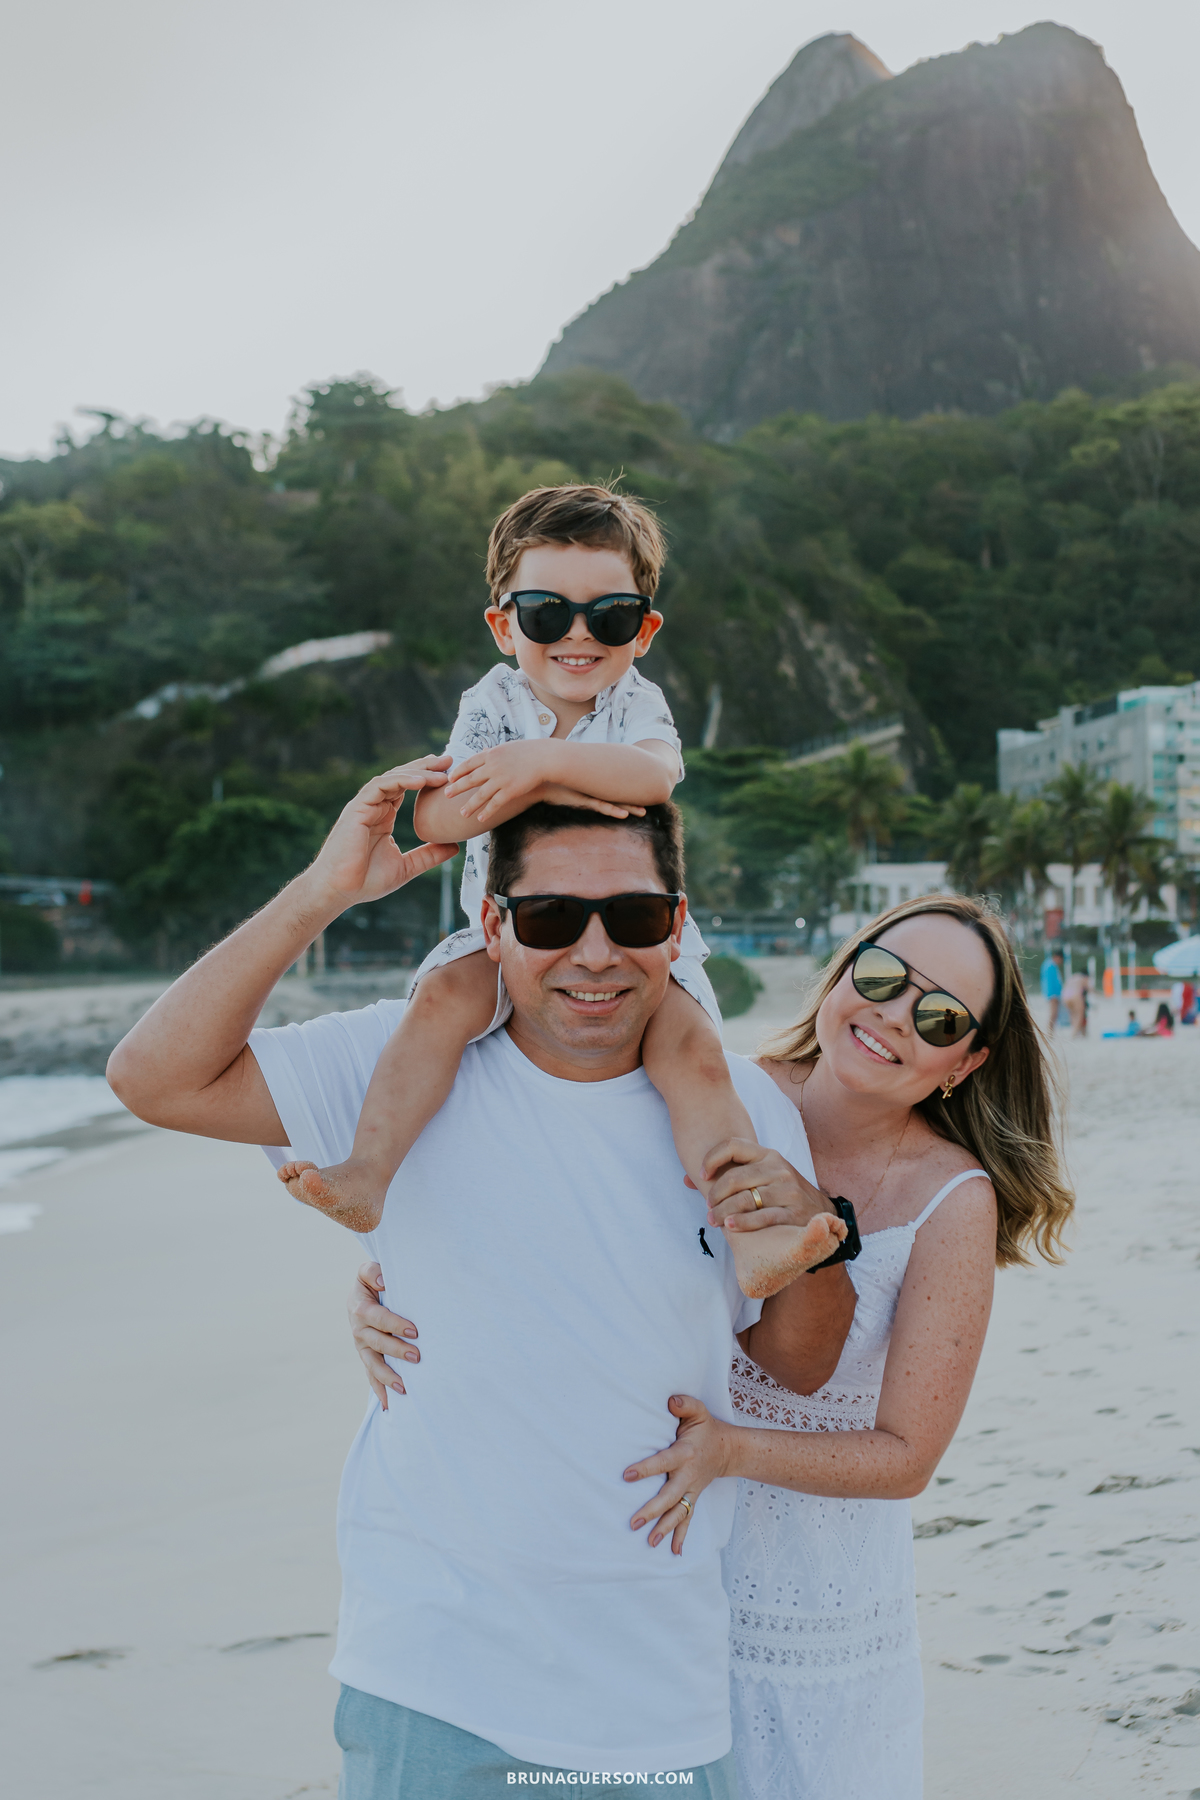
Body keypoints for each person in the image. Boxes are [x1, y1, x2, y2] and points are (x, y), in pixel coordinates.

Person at [107, 791, 855, 1794]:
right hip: (433, 1681)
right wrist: (323, 891)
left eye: (634, 917)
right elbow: (153, 1079)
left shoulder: (740, 1107)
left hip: (659, 1694)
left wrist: (817, 1243)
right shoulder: (394, 1068)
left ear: (676, 926)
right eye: (551, 919)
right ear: (493, 925)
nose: (596, 953)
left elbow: (799, 1367)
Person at [350, 896, 1074, 1799]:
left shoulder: (952, 1199)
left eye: (938, 1018)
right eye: (884, 976)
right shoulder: (708, 1095)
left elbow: (907, 1457)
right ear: (843, 972)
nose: (894, 1014)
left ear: (966, 1062)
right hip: (640, 1570)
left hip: (814, 1608)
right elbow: (546, 1241)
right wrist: (387, 1293)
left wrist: (729, 1451)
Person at [275, 482, 810, 1297]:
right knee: (438, 1004)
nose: (578, 635)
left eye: (611, 616)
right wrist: (542, 775)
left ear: (644, 631)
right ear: (504, 626)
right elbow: (439, 816)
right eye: (546, 613)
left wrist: (541, 764)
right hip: (507, 937)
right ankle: (368, 1172)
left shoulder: (636, 703)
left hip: (635, 936)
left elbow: (654, 778)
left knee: (694, 1057)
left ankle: (753, 1235)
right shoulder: (491, 703)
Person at [1040, 945, 1064, 1029]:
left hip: (1054, 993)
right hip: (1052, 993)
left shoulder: (1052, 965)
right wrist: (1052, 994)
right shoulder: (1050, 965)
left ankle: (1051, 1030)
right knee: (1053, 1013)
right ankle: (1050, 1031)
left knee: (1055, 1013)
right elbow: (1049, 982)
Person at [1062, 966, 1090, 1037]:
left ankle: (1075, 1031)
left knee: (1073, 1014)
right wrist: (1101, 994)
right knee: (1080, 1015)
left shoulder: (1073, 977)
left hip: (1065, 996)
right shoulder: (1083, 978)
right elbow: (1090, 989)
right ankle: (1074, 1034)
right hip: (1075, 995)